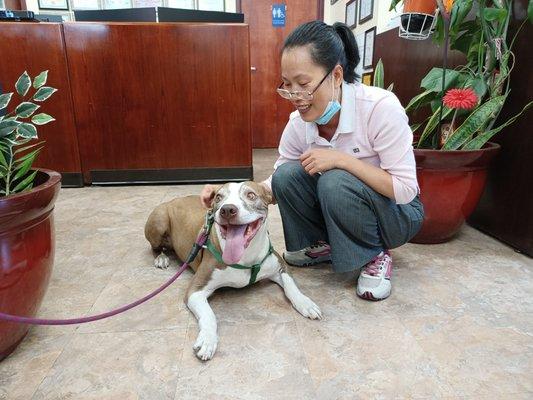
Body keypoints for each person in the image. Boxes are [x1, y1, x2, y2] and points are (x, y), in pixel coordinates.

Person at [201, 20, 424, 301]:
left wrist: (342, 160)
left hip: (398, 213)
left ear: (337, 75)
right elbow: (278, 180)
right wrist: (229, 197)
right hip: (349, 201)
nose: (295, 97)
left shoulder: (380, 108)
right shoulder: (298, 123)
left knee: (334, 179)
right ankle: (326, 245)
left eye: (304, 84)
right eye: (288, 85)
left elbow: (405, 190)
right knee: (287, 176)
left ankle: (375, 254)